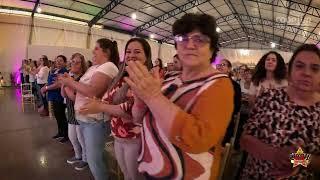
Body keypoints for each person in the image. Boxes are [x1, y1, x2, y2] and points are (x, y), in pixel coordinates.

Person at [124, 13, 234, 179]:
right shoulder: (170, 80)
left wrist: (153, 96)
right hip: (151, 169)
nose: (190, 45)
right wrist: (141, 99)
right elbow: (139, 118)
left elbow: (198, 139)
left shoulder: (220, 85)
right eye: (183, 38)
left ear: (212, 49)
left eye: (200, 39)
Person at [240, 44, 320, 179]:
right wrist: (274, 154)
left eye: (315, 68)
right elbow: (244, 139)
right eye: (299, 66)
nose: (307, 73)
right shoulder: (269, 97)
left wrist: (298, 159)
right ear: (289, 71)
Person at [79, 38, 153, 180]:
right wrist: (101, 102)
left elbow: (130, 111)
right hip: (118, 136)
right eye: (128, 52)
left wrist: (100, 106)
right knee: (126, 174)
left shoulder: (147, 79)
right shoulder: (122, 77)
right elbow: (110, 99)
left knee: (135, 177)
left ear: (146, 57)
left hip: (135, 138)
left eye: (137, 52)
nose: (131, 55)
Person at [58, 38, 119, 180]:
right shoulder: (93, 68)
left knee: (93, 159)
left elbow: (93, 91)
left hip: (95, 120)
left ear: (107, 52)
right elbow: (78, 93)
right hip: (85, 119)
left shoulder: (109, 66)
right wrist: (68, 83)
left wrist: (70, 82)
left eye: (97, 48)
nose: (93, 51)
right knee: (96, 156)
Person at [61, 53, 88, 170]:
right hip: (71, 111)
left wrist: (67, 83)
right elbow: (64, 95)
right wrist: (64, 84)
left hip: (80, 113)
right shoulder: (71, 77)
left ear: (82, 65)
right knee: (72, 137)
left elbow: (74, 98)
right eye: (72, 61)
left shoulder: (83, 79)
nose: (73, 64)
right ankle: (78, 155)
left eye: (77, 62)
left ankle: (85, 159)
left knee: (81, 138)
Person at [41, 55, 69, 142]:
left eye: (61, 61)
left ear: (65, 62)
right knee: (57, 115)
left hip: (59, 97)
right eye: (57, 61)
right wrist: (45, 86)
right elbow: (50, 82)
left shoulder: (64, 72)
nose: (58, 62)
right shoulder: (55, 70)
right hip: (52, 96)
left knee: (61, 116)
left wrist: (46, 88)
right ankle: (60, 132)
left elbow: (58, 84)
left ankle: (66, 134)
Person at [216, 59, 242, 147]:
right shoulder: (212, 82)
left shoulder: (235, 86)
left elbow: (237, 105)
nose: (220, 67)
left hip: (225, 119)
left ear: (229, 69)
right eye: (219, 65)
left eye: (223, 65)